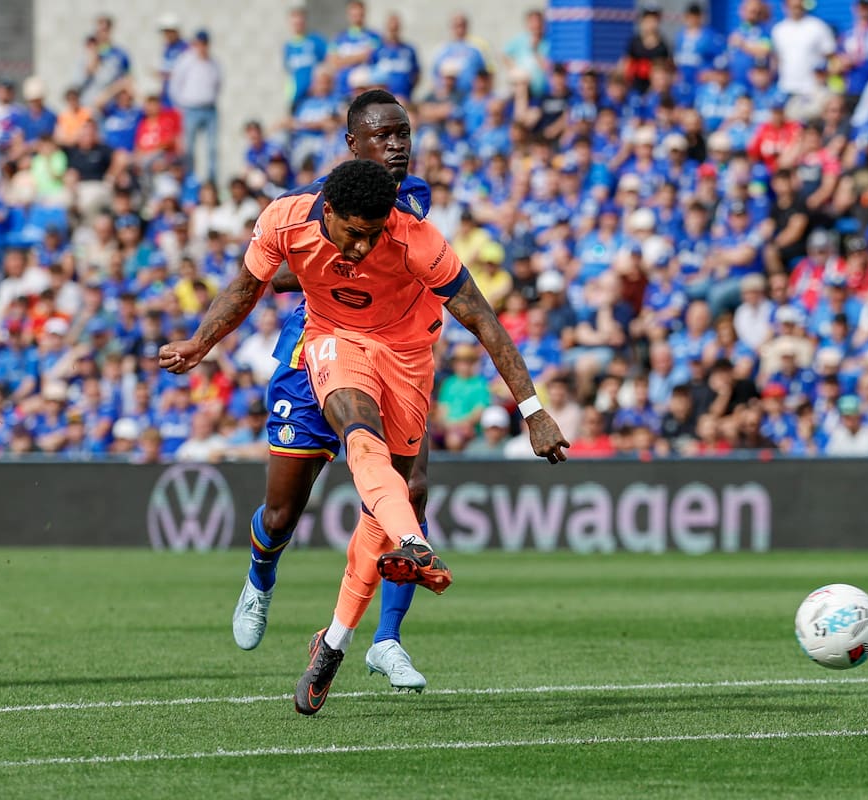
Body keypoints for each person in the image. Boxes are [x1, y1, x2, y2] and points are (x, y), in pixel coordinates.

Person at [160, 159, 568, 716]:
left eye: (373, 235)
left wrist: (533, 410)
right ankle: (379, 552)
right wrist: (200, 343)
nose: (362, 248)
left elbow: (483, 320)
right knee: (330, 469)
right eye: (354, 234)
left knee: (397, 495)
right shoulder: (288, 215)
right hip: (330, 341)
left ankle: (338, 642)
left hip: (405, 357)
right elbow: (253, 283)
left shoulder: (414, 232)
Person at [226, 90, 436, 693]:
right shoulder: (313, 202)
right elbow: (277, 270)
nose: (396, 147)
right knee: (282, 512)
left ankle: (387, 638)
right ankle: (260, 575)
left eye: (403, 135)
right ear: (353, 144)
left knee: (408, 490)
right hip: (312, 351)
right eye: (383, 137)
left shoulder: (412, 196)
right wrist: (323, 261)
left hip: (389, 352)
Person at [169, 30, 223, 183]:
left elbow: (218, 84)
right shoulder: (186, 61)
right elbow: (175, 84)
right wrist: (180, 105)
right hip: (191, 108)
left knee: (211, 147)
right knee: (189, 147)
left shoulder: (214, 63)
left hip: (209, 108)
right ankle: (190, 178)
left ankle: (211, 180)